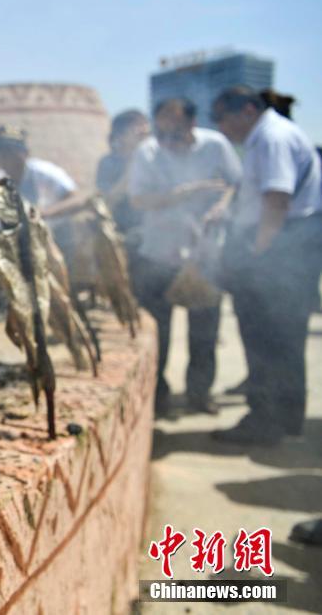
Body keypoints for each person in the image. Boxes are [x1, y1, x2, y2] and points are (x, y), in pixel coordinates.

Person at [210, 86, 322, 445]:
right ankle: (285, 418)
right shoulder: (268, 137)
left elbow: (276, 198)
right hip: (287, 243)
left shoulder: (272, 137)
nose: (222, 129)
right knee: (284, 339)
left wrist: (257, 255)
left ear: (246, 110)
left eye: (223, 119)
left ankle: (266, 421)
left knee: (267, 337)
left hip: (279, 244)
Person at [128, 98, 241, 416]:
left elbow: (235, 184)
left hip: (205, 255)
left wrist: (221, 205)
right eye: (162, 132)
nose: (167, 139)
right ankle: (158, 398)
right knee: (157, 334)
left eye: (175, 131)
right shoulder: (148, 152)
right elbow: (138, 199)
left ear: (192, 124)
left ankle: (199, 394)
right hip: (159, 254)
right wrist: (186, 193)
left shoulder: (216, 146)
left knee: (204, 333)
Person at [0, 125, 77, 219]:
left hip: (57, 229)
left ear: (26, 154)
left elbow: (75, 198)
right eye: (2, 155)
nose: (8, 159)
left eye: (12, 152)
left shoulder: (43, 172)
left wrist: (46, 213)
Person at [96, 109, 150, 238]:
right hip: (123, 232)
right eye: (136, 131)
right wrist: (133, 166)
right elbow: (108, 202)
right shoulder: (108, 163)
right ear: (120, 135)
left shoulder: (154, 160)